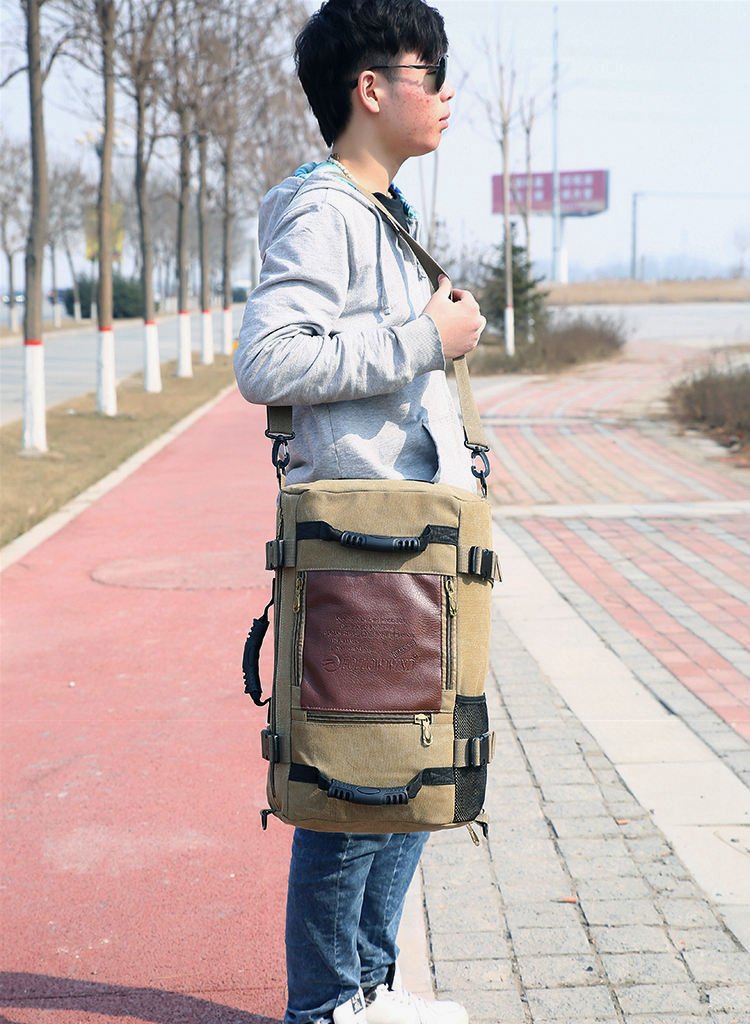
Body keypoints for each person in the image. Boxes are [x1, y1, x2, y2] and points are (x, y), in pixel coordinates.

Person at [234, 2, 486, 1021]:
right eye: (433, 70)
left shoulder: (382, 210)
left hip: (411, 536)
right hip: (359, 540)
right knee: (354, 786)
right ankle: (327, 1003)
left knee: (416, 770)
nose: (448, 92)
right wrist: (424, 338)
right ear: (371, 88)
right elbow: (268, 360)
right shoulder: (323, 208)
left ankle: (372, 987)